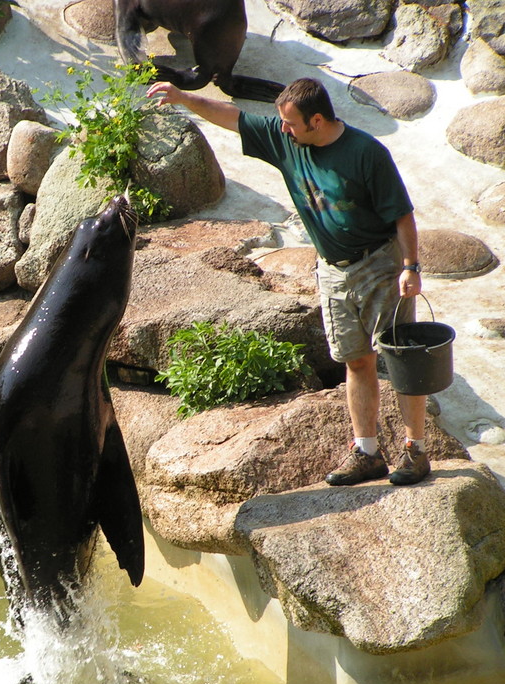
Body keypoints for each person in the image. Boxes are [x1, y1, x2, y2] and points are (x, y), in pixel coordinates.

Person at [146, 76, 430, 486]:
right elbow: (233, 117)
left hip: (380, 266)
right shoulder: (287, 143)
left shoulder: (366, 153)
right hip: (332, 269)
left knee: (402, 360)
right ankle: (367, 452)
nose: (282, 129)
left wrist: (411, 266)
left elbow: (402, 215)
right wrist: (181, 97)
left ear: (317, 120)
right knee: (355, 360)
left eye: (291, 123)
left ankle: (415, 451)